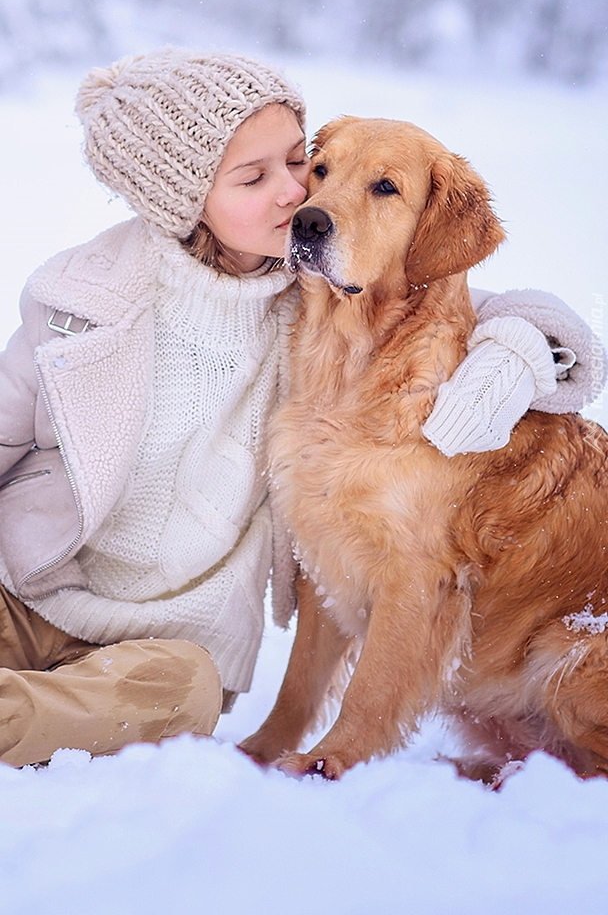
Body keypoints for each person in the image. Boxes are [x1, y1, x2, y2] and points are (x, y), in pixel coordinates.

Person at [0, 49, 602, 768]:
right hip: (31, 587)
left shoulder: (320, 301)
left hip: (160, 644)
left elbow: (506, 314)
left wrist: (518, 353)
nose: (306, 201)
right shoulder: (90, 297)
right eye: (282, 175)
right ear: (186, 199)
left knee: (180, 699)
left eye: (299, 163)